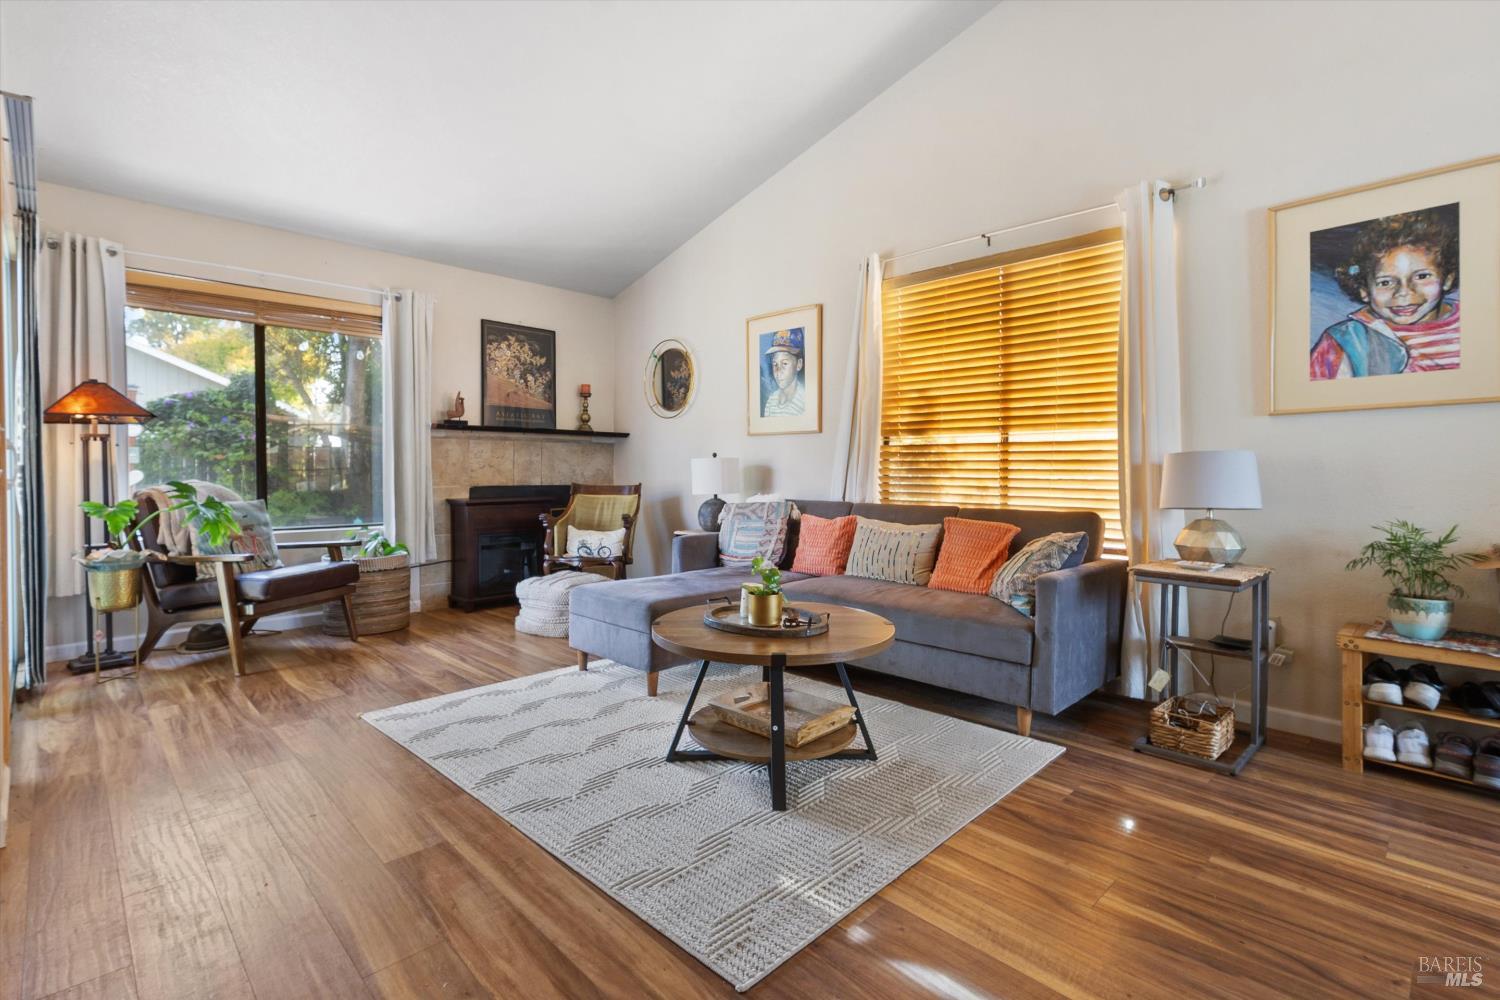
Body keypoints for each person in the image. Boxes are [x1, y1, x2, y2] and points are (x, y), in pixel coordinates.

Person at [1310, 208, 1460, 380]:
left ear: (1447, 279)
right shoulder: (1345, 341)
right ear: (1364, 290)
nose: (1404, 293)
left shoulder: (1478, 322)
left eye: (1422, 276)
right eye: (1386, 282)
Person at [761, 328, 806, 417]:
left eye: (784, 364)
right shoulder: (771, 401)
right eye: (775, 364)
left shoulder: (804, 401)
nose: (778, 372)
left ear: (799, 364)